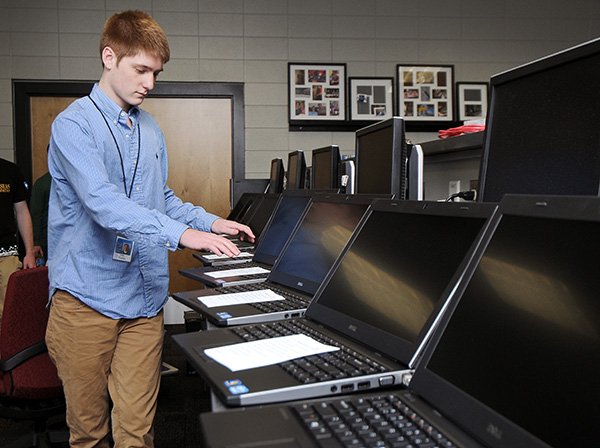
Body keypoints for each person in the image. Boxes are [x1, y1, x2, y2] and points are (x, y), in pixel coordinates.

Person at [44, 10, 254, 448]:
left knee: (136, 432)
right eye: (141, 69)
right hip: (85, 302)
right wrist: (182, 235)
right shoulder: (73, 125)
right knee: (89, 434)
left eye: (155, 73)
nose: (150, 83)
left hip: (143, 302)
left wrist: (210, 221)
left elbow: (162, 199)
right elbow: (102, 202)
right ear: (109, 57)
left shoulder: (150, 128)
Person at [0, 157, 36, 318]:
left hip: (6, 254)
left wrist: (29, 252)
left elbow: (22, 212)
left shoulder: (10, 170)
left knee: (8, 312)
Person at [30, 167, 51, 263]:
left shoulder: (42, 183)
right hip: (46, 239)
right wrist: (36, 242)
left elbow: (36, 214)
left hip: (47, 237)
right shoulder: (43, 184)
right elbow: (35, 215)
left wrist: (36, 242)